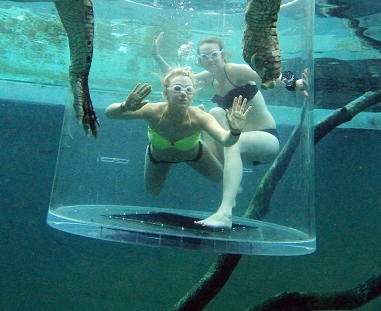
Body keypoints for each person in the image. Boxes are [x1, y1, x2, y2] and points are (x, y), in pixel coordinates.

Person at [152, 34, 280, 228]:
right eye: (204, 56)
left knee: (234, 142)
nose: (209, 59)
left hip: (266, 140)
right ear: (199, 60)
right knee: (215, 112)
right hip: (237, 144)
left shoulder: (234, 71)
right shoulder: (208, 78)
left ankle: (225, 213)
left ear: (222, 55)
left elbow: (270, 76)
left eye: (214, 54)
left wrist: (296, 84)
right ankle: (231, 186)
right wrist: (156, 56)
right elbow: (175, 80)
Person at [105, 68, 250, 213]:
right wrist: (124, 106)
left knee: (221, 178)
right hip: (158, 157)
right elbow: (109, 113)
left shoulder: (200, 117)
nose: (183, 93)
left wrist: (235, 131)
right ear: (165, 93)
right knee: (153, 192)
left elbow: (226, 140)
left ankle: (205, 142)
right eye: (177, 88)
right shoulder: (153, 111)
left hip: (196, 154)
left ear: (192, 95)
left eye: (188, 89)